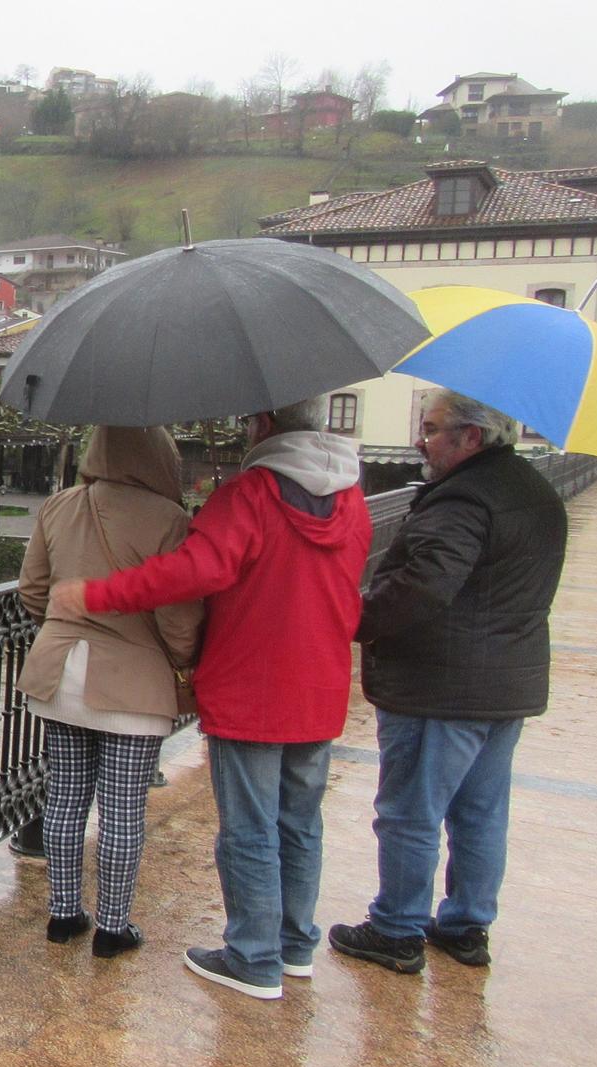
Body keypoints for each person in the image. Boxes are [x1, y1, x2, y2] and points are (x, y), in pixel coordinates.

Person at [50, 395, 371, 999]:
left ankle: (253, 956)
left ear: (264, 424)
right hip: (321, 684)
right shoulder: (351, 500)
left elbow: (192, 572)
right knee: (300, 823)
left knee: (249, 829)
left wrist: (97, 595)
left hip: (252, 687)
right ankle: (295, 945)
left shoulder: (250, 495)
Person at [328, 392, 567, 973]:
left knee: (411, 811)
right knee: (480, 812)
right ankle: (466, 925)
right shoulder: (534, 491)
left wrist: (354, 619)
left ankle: (396, 929)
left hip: (442, 688)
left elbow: (425, 583)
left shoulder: (464, 498)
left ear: (472, 438)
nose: (420, 439)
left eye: (432, 429)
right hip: (506, 686)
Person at [17, 426, 202, 959]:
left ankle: (63, 914)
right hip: (132, 685)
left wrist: (59, 624)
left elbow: (32, 590)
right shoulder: (170, 520)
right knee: (122, 810)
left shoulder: (58, 505)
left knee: (65, 800)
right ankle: (112, 927)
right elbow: (177, 613)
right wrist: (183, 659)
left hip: (58, 675)